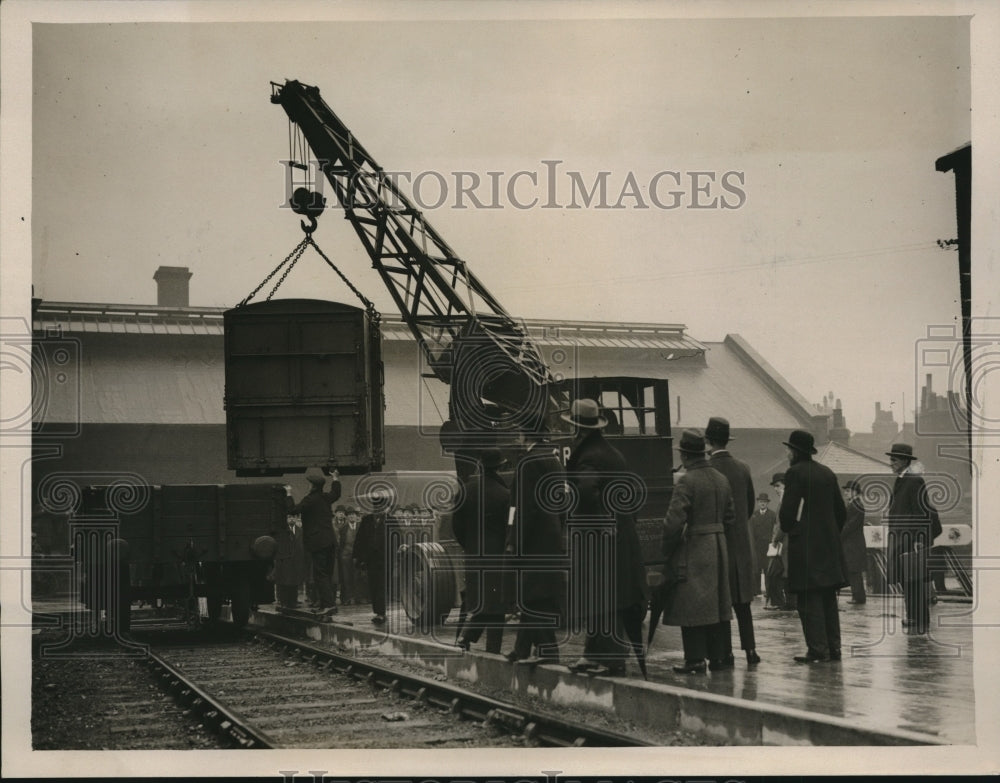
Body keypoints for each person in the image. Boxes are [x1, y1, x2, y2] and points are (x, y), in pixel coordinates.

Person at [563, 398, 647, 677]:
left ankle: (611, 660)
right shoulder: (609, 451)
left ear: (579, 430)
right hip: (616, 536)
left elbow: (587, 491)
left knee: (605, 599)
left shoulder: (590, 456)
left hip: (601, 540)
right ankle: (593, 654)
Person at [660, 429, 734, 674]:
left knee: (690, 604)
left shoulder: (687, 481)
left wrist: (667, 550)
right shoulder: (721, 479)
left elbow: (673, 522)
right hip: (718, 546)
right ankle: (718, 658)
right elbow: (731, 517)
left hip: (695, 546)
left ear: (685, 455)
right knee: (715, 605)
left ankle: (694, 660)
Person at [778, 430, 847, 663]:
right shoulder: (827, 473)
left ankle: (818, 650)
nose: (787, 453)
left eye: (789, 449)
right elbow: (841, 511)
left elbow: (787, 513)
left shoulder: (795, 473)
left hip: (806, 546)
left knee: (808, 600)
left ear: (795, 452)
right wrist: (829, 533)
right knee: (828, 597)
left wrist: (794, 529)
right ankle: (834, 648)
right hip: (828, 546)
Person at [504, 426, 567, 665]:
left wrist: (513, 541)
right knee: (535, 595)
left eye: (520, 432)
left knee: (532, 596)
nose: (517, 436)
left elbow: (522, 508)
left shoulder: (528, 463)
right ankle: (521, 649)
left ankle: (549, 651)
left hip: (533, 540)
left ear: (527, 435)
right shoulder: (553, 460)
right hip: (550, 537)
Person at [705, 417, 760, 667]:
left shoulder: (708, 470)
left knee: (722, 603)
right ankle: (750, 651)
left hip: (719, 544)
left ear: (708, 441)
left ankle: (725, 654)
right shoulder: (743, 467)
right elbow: (749, 506)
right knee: (743, 603)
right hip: (742, 543)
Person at [452, 448, 511, 653]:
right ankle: (492, 649)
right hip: (497, 558)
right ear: (501, 466)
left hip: (474, 556)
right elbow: (509, 529)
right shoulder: (505, 495)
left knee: (481, 602)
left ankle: (466, 637)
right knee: (497, 603)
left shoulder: (466, 491)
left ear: (480, 466)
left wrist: (469, 546)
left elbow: (456, 526)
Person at [884, 444, 942, 634]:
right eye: (891, 459)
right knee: (909, 580)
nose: (891, 463)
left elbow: (921, 512)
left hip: (910, 540)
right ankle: (914, 616)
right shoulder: (902, 480)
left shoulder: (913, 481)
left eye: (895, 460)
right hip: (902, 538)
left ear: (905, 461)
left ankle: (919, 618)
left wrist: (918, 539)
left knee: (914, 580)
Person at [285, 466, 342, 616]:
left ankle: (329, 605)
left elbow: (292, 510)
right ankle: (325, 604)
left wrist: (289, 494)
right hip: (330, 541)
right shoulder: (325, 498)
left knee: (320, 575)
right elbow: (336, 493)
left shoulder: (310, 499)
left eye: (309, 484)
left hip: (317, 543)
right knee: (327, 574)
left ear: (312, 486)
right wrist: (335, 478)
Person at [355, 493, 390, 625]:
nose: (378, 509)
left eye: (380, 506)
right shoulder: (367, 520)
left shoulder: (390, 520)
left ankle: (381, 613)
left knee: (381, 586)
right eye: (376, 506)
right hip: (371, 560)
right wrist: (358, 558)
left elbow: (397, 538)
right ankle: (378, 611)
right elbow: (360, 540)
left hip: (385, 560)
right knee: (373, 586)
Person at [841, 480, 868, 605]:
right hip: (852, 543)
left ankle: (858, 597)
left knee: (854, 570)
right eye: (845, 491)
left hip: (854, 544)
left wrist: (838, 536)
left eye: (848, 491)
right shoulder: (854, 504)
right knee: (853, 570)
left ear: (855, 492)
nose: (845, 493)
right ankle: (857, 596)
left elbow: (850, 525)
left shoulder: (856, 505)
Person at [272, 512, 306, 609]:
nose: (292, 519)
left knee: (294, 582)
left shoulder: (300, 531)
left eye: (293, 517)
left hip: (296, 561)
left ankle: (293, 602)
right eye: (289, 517)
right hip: (284, 560)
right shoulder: (282, 531)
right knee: (284, 581)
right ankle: (284, 602)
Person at [750, 492, 776, 600]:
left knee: (767, 569)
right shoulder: (754, 515)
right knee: (756, 569)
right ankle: (756, 591)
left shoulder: (772, 515)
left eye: (764, 502)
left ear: (767, 503)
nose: (762, 504)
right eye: (761, 502)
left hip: (768, 546)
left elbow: (774, 530)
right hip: (757, 546)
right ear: (758, 502)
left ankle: (768, 591)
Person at [338, 506, 361, 605]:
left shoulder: (361, 527)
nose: (351, 517)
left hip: (357, 556)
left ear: (357, 517)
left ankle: (358, 598)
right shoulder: (343, 528)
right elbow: (340, 543)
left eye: (353, 515)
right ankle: (347, 598)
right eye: (349, 515)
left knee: (358, 577)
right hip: (345, 556)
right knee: (346, 578)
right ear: (347, 517)